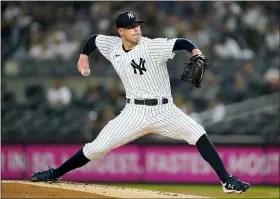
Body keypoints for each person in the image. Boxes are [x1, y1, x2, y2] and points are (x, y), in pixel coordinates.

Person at [31, 11, 250, 194]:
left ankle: (227, 180)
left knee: (198, 132)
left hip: (164, 110)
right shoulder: (113, 46)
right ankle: (55, 173)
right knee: (96, 148)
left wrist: (194, 50)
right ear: (120, 31)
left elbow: (181, 42)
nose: (136, 29)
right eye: (130, 26)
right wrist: (84, 55)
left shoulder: (152, 47)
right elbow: (93, 39)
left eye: (137, 25)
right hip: (133, 112)